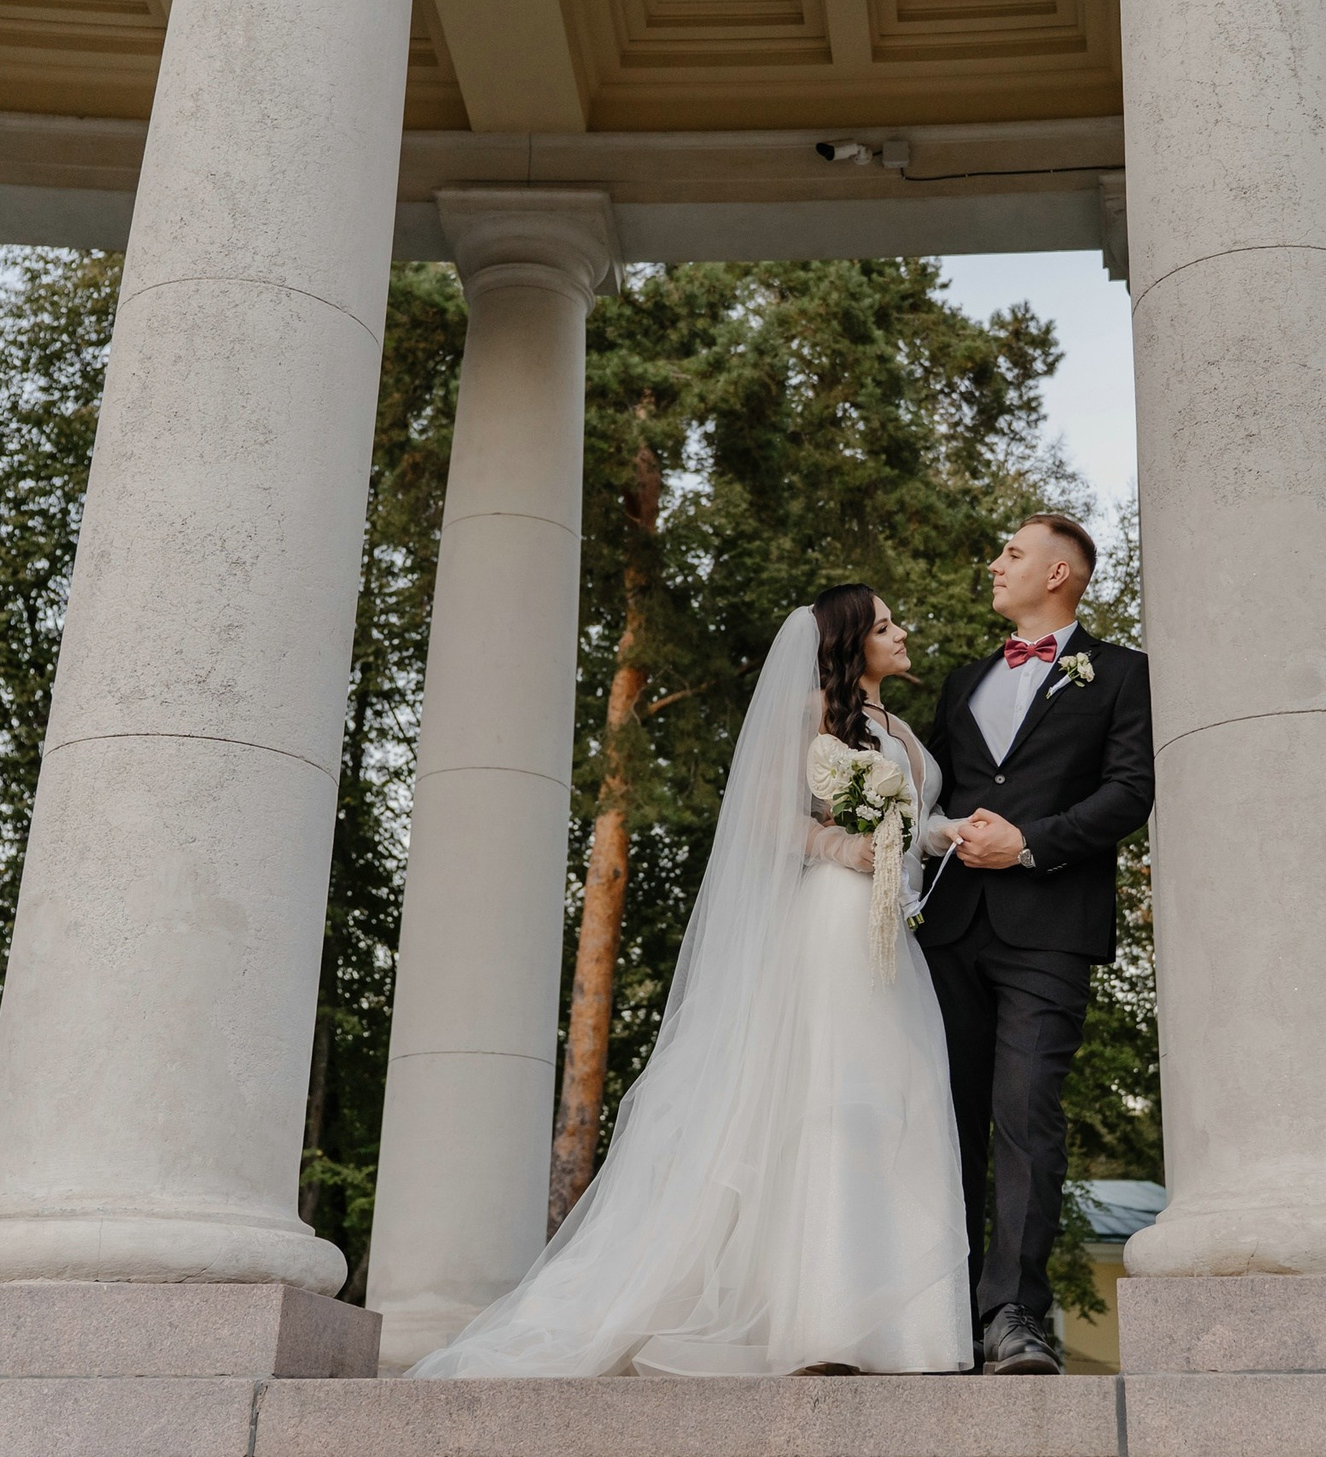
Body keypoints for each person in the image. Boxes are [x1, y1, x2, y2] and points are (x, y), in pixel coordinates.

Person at [408, 586, 971, 1378]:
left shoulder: (902, 732)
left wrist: (947, 832)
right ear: (851, 645)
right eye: (884, 625)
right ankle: (821, 1320)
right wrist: (841, 849)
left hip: (891, 941)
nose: (901, 631)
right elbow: (767, 817)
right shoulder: (812, 711)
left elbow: (908, 827)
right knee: (832, 1104)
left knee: (887, 1107)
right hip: (834, 924)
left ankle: (894, 1327)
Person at [916, 514, 1155, 1374]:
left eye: (1011, 553)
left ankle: (1013, 1313)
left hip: (1049, 929)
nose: (995, 563)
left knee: (1025, 1115)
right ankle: (935, 1313)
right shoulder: (960, 681)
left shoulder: (1122, 673)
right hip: (948, 929)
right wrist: (941, 833)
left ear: (1060, 574)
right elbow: (930, 794)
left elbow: (1131, 791)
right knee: (943, 1124)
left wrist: (1028, 843)